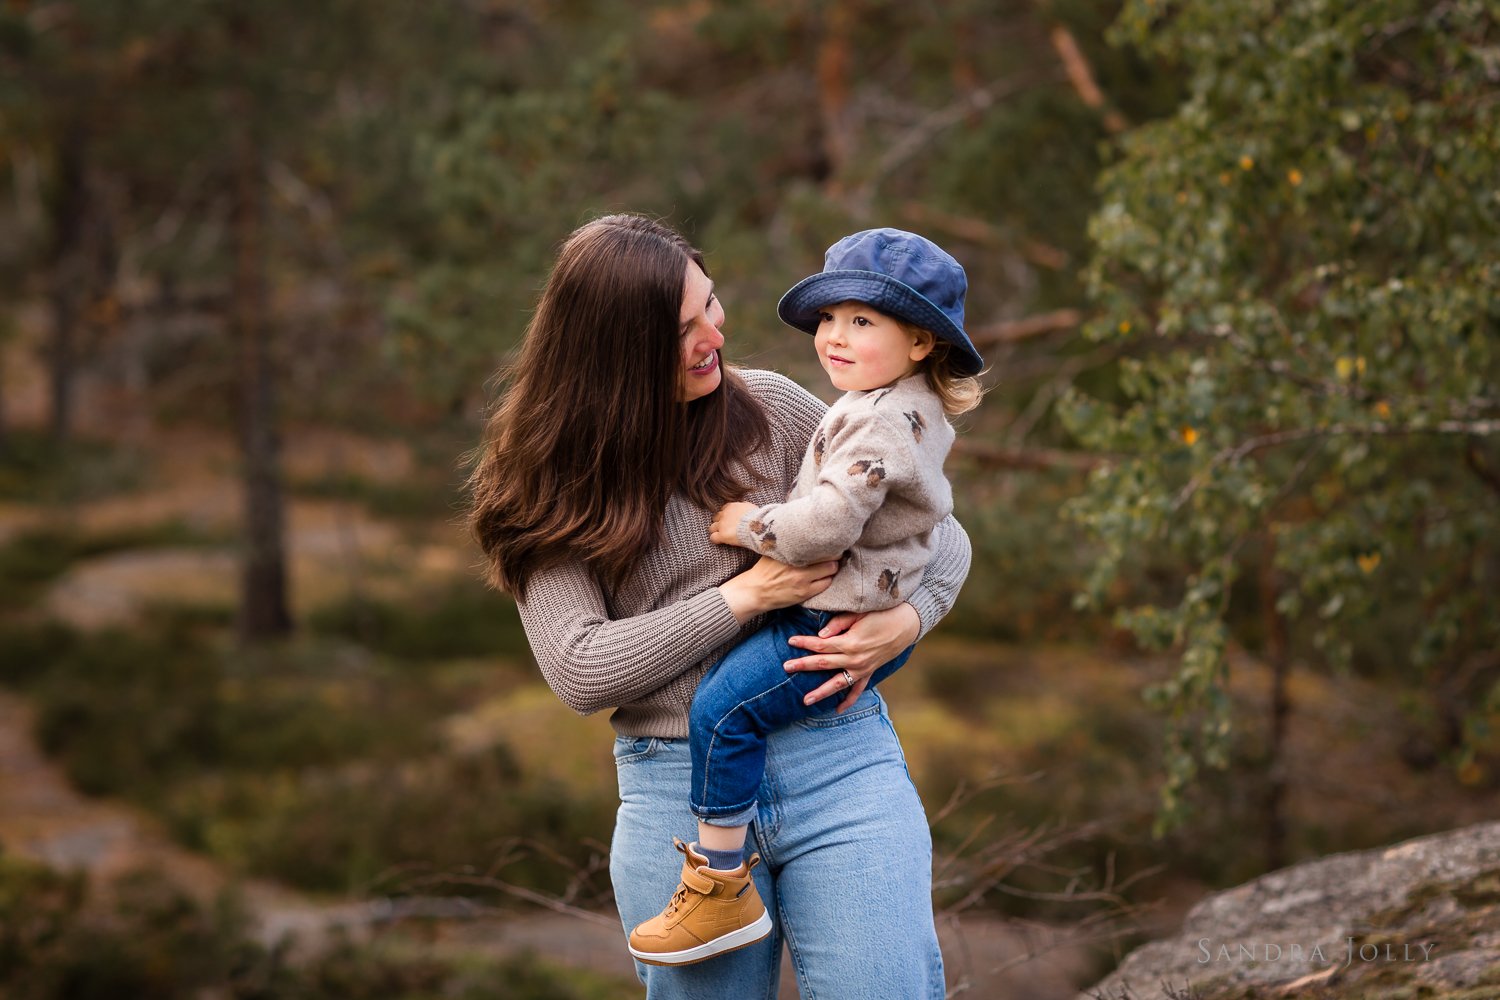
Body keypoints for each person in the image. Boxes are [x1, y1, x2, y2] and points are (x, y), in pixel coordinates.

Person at [466, 214, 972, 1000]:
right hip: (675, 793)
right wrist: (747, 595)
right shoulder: (547, 481)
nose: (712, 335)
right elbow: (578, 667)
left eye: (712, 306)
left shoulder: (767, 408)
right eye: (681, 329)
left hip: (838, 759)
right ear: (614, 350)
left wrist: (908, 619)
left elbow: (939, 535)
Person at [626, 228, 984, 968]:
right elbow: (579, 670)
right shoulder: (887, 406)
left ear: (920, 342)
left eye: (860, 321)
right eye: (828, 319)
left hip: (829, 657)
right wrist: (749, 596)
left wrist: (754, 531)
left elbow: (858, 528)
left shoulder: (866, 417)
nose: (832, 337)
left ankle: (718, 881)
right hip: (671, 758)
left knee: (722, 710)